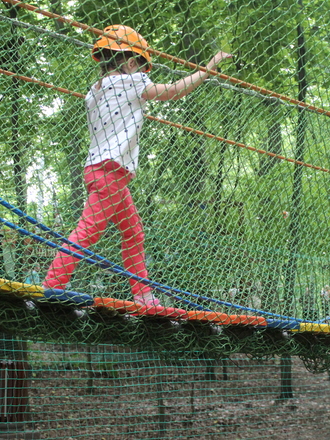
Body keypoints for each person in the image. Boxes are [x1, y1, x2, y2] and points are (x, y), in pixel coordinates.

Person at [42, 25, 231, 315]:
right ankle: (52, 285)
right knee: (88, 232)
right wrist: (208, 68)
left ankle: (142, 294)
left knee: (133, 233)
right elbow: (172, 91)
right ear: (131, 63)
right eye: (142, 66)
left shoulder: (94, 92)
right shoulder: (132, 82)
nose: (145, 73)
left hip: (101, 171)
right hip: (112, 172)